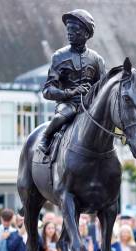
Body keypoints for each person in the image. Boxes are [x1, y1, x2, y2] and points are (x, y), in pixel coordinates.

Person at [37, 9, 105, 155]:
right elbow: (47, 91)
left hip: (90, 107)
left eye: (75, 30)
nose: (69, 33)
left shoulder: (97, 60)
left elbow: (103, 89)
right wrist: (70, 92)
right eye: (68, 29)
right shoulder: (59, 56)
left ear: (86, 34)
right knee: (65, 114)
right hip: (68, 104)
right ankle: (45, 138)